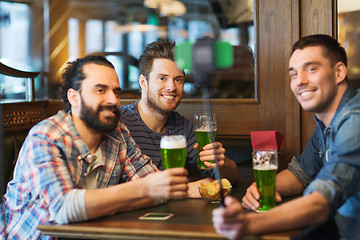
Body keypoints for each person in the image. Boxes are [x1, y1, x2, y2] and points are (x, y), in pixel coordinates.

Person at [0, 56, 189, 240]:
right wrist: (141, 189)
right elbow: (63, 209)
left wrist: (102, 205)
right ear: (74, 97)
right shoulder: (47, 137)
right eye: (100, 90)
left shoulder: (118, 133)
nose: (112, 100)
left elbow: (159, 193)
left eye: (116, 92)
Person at [212, 34, 360, 240]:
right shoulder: (327, 123)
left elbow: (321, 202)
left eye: (311, 69)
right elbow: (301, 173)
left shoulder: (354, 121)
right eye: (293, 74)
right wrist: (263, 188)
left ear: (339, 72)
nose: (300, 81)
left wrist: (248, 224)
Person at [120, 40, 239, 189]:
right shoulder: (120, 122)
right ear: (143, 82)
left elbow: (232, 177)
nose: (171, 87)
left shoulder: (182, 127)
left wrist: (221, 162)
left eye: (178, 80)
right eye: (162, 78)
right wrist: (188, 190)